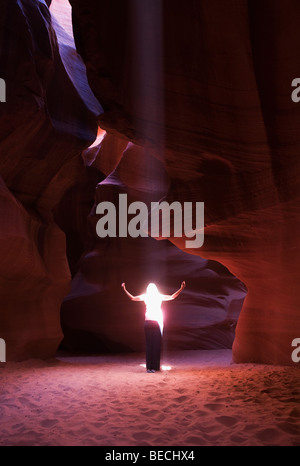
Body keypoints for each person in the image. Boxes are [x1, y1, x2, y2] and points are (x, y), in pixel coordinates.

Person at [121, 281, 186, 372]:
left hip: (151, 322)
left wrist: (124, 289)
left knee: (151, 345)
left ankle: (151, 367)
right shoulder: (155, 296)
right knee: (155, 345)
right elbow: (172, 296)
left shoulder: (148, 296)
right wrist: (181, 288)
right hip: (153, 322)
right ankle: (153, 367)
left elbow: (132, 298)